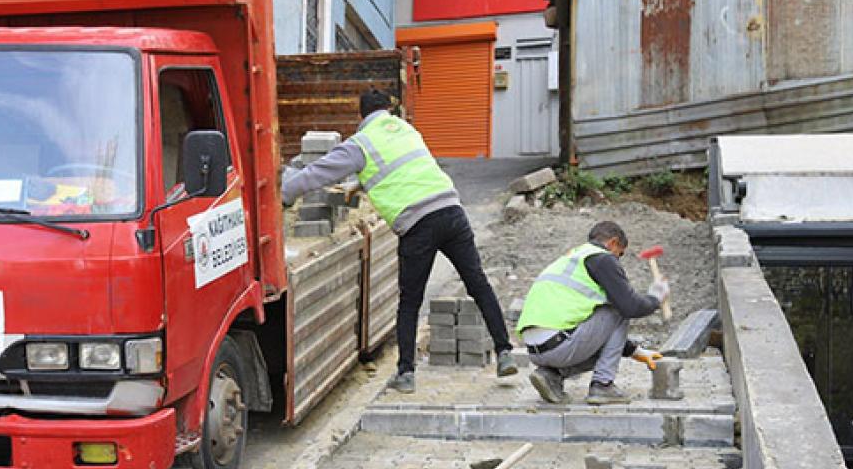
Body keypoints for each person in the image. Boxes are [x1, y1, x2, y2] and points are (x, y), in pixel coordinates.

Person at [281, 90, 514, 394]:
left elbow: (317, 173)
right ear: (387, 110)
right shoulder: (407, 131)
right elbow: (399, 169)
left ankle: (406, 373)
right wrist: (358, 184)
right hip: (452, 211)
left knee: (410, 301)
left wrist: (285, 193)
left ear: (361, 115)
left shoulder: (361, 143)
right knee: (478, 283)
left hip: (418, 224)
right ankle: (505, 351)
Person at [518, 220, 668, 405]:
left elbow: (597, 329)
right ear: (613, 243)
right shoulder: (603, 258)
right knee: (617, 309)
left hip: (536, 350)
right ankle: (603, 385)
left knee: (609, 308)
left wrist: (635, 351)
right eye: (619, 254)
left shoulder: (573, 257)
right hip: (559, 345)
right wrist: (656, 298)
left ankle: (551, 375)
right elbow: (629, 306)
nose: (617, 260)